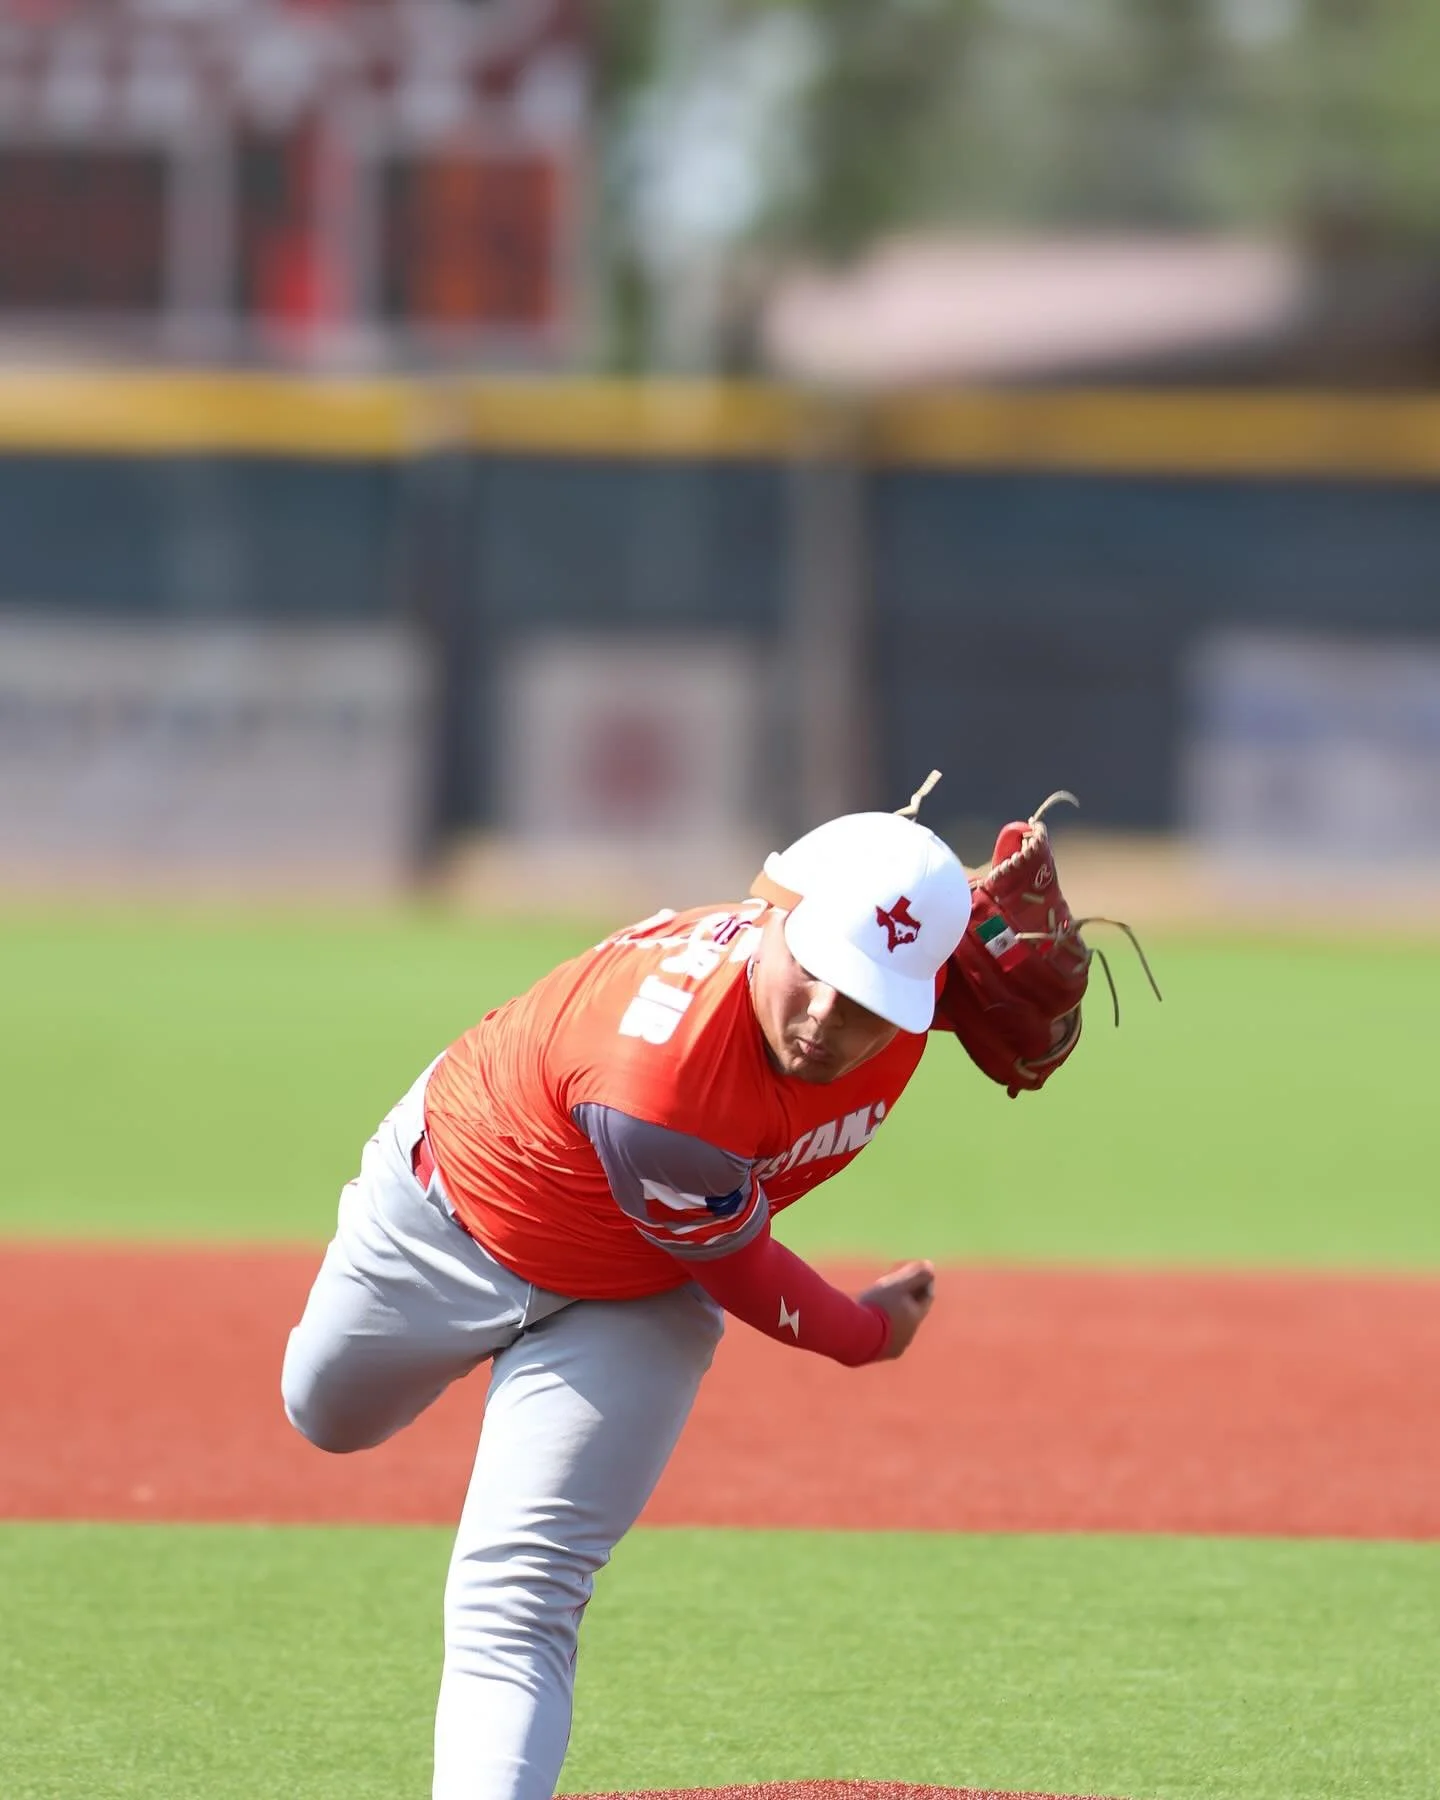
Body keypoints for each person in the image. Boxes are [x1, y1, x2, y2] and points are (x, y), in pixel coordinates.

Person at [280, 798, 1085, 1800]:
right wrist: (870, 1332)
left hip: (637, 1297)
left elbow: (943, 939)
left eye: (874, 999)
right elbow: (748, 1273)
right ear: (772, 912)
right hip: (443, 1226)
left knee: (518, 1598)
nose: (829, 1022)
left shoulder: (910, 986)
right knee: (323, 1412)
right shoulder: (661, 1087)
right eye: (818, 972)